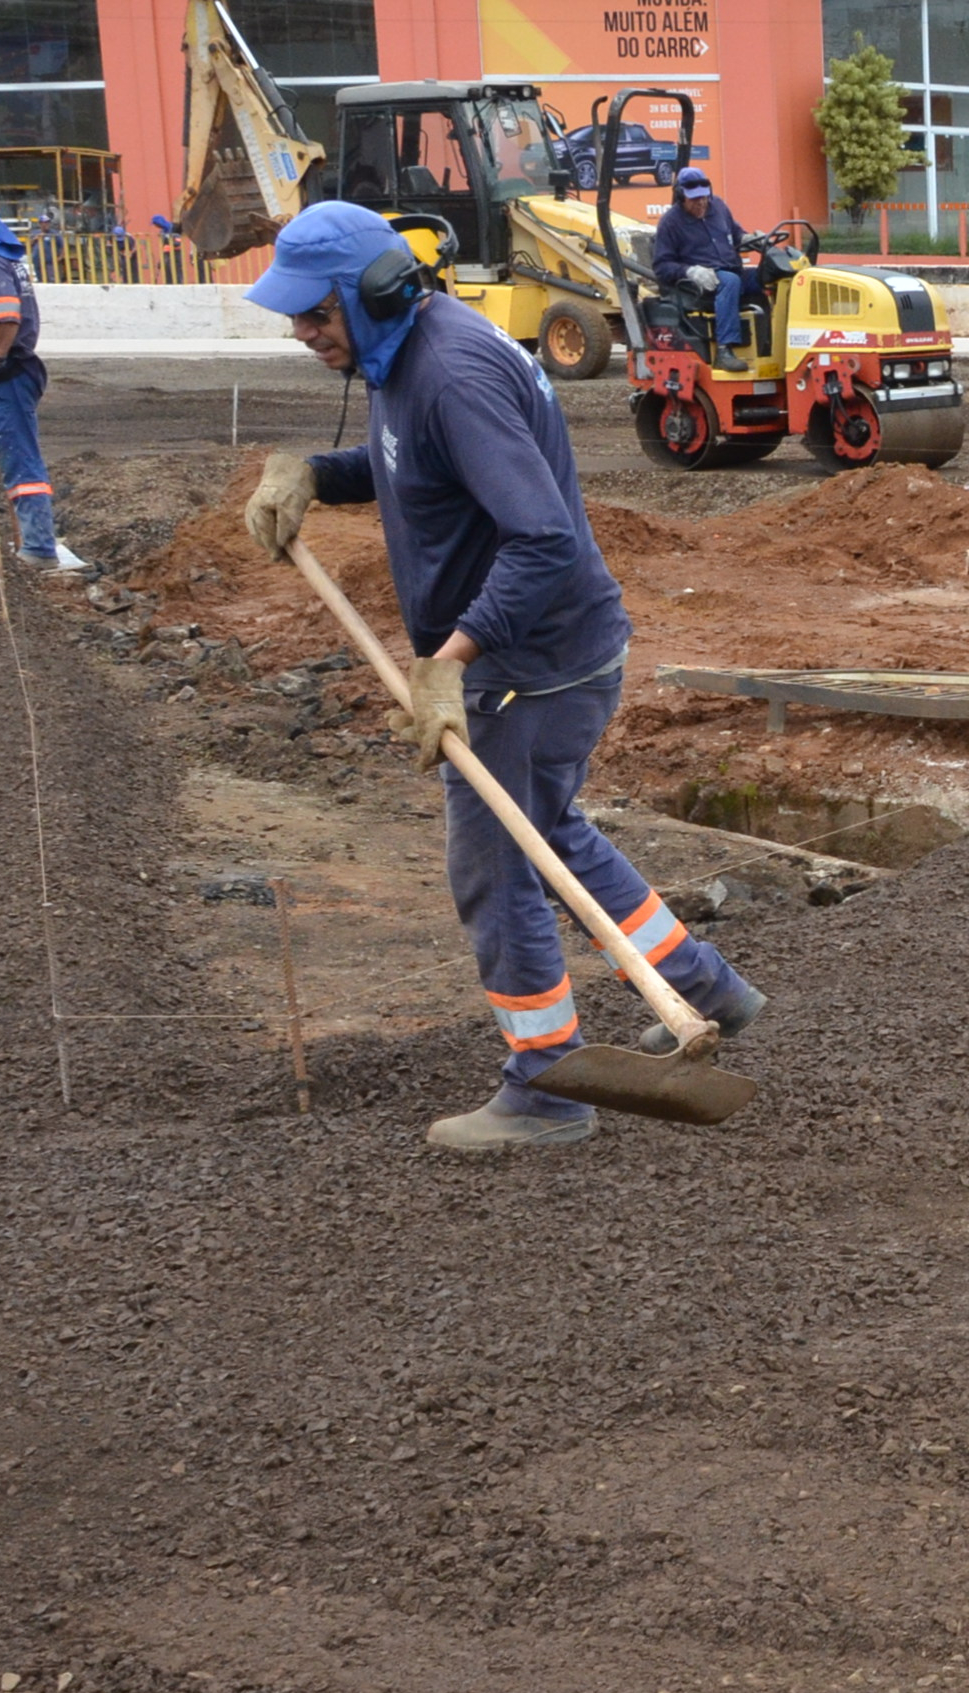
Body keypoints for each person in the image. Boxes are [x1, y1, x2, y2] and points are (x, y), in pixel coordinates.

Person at [235, 200, 767, 1154]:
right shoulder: (408, 353)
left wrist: (451, 660)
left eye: (315, 315)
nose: (300, 335)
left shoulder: (451, 372)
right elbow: (415, 467)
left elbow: (542, 538)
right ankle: (705, 985)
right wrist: (314, 473)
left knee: (493, 861)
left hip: (535, 662)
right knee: (548, 831)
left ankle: (546, 1087)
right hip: (548, 652)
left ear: (375, 293)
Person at [0, 198, 90, 576]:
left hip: (5, 375)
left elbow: (7, 313)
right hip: (6, 374)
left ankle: (39, 547)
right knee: (16, 455)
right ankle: (32, 543)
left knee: (20, 458)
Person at [648, 166, 751, 367]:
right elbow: (662, 266)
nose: (701, 203)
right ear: (681, 196)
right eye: (694, 199)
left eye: (704, 197)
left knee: (771, 276)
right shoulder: (670, 223)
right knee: (730, 281)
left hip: (732, 269)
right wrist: (690, 271)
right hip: (700, 283)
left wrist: (749, 238)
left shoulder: (719, 207)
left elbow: (737, 234)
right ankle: (724, 350)